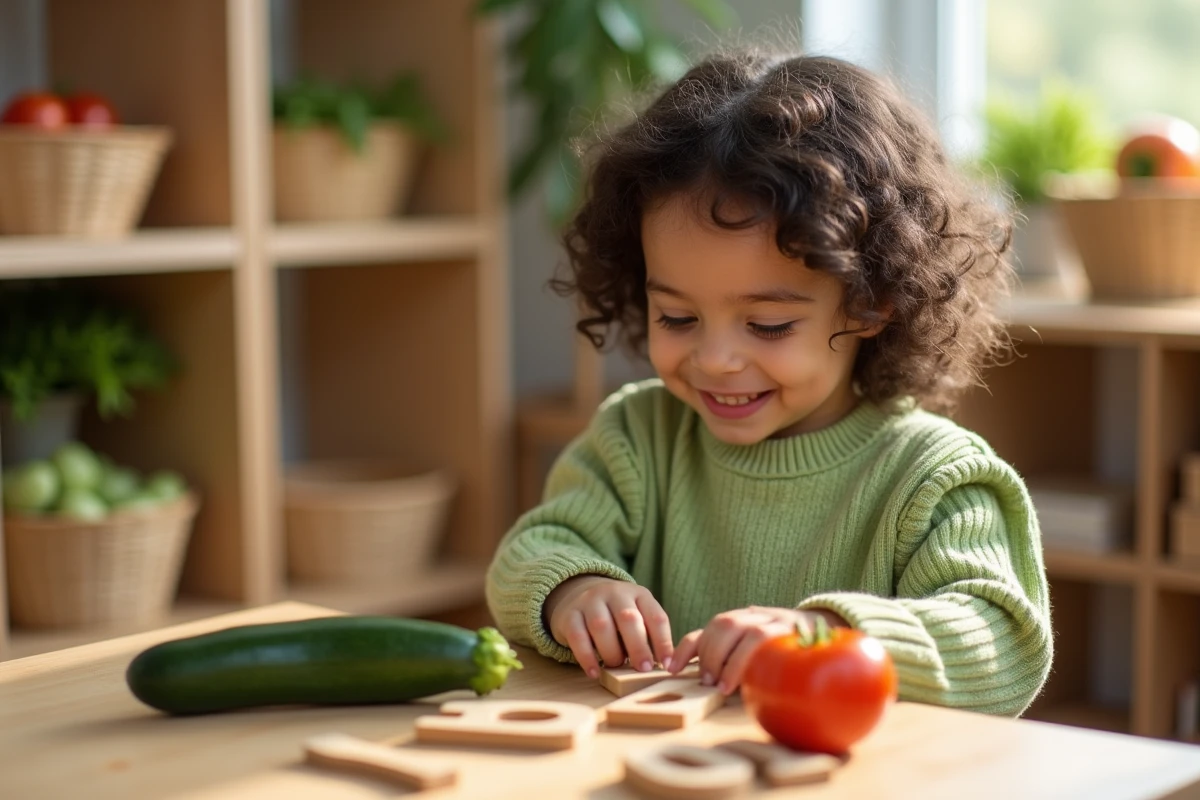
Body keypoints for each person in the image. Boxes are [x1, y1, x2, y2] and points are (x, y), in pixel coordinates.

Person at [486, 46, 1052, 716]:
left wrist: (829, 638)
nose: (716, 358)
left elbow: (1002, 641)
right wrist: (572, 589)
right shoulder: (638, 438)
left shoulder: (936, 478)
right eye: (677, 315)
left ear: (872, 302)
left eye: (768, 325)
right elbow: (534, 549)